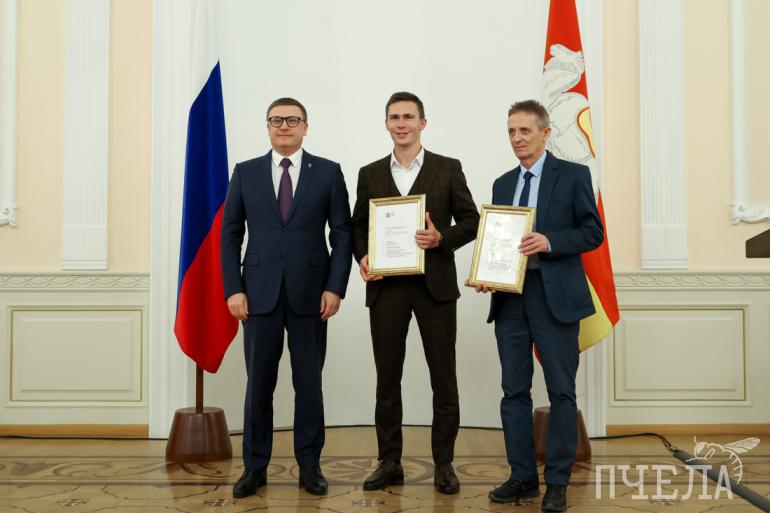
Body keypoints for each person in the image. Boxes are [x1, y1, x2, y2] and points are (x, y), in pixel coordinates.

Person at [468, 99, 602, 512]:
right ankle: (522, 477)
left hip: (554, 301)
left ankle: (557, 481)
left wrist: (551, 241)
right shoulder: (502, 183)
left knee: (561, 391)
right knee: (513, 392)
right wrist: (488, 274)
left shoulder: (574, 175)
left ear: (546, 133)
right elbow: (498, 242)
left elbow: (592, 232)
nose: (516, 138)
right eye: (511, 131)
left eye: (524, 130)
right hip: (510, 302)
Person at [221, 97, 352, 498]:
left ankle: (309, 465)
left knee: (308, 385)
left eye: (292, 120)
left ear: (305, 127)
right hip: (257, 295)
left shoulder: (327, 172)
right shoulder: (245, 172)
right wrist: (233, 288)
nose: (284, 126)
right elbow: (230, 235)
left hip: (311, 296)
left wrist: (335, 286)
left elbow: (342, 234)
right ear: (267, 126)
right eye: (276, 120)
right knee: (258, 385)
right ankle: (254, 467)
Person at [351, 91, 479, 495]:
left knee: (444, 378)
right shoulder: (370, 173)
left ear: (423, 123)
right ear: (386, 124)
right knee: (387, 380)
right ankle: (389, 461)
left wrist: (442, 238)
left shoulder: (447, 168)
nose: (401, 123)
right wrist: (363, 256)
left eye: (409, 116)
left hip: (435, 289)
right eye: (394, 117)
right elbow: (358, 226)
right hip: (386, 289)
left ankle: (444, 463)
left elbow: (472, 221)